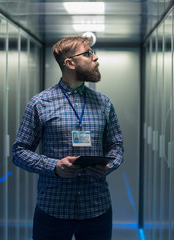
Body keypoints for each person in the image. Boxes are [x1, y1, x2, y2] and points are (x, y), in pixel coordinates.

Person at [12, 36, 124, 240]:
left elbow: (116, 145)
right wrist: (54, 167)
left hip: (96, 208)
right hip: (53, 209)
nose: (95, 57)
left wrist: (110, 165)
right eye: (88, 53)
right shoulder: (40, 103)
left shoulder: (104, 103)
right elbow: (19, 152)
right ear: (70, 63)